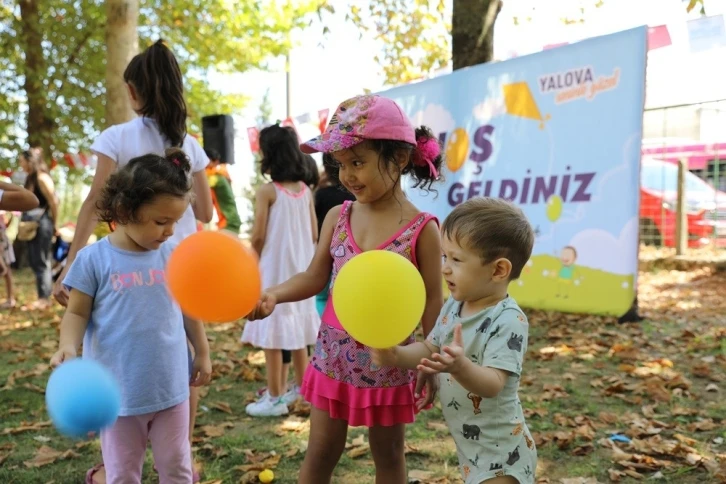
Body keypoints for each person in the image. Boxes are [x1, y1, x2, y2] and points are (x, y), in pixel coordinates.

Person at [248, 94, 445, 483]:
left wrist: (429, 360)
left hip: (388, 362)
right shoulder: (338, 216)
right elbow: (314, 276)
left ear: (400, 159)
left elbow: (433, 300)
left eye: (359, 163)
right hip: (332, 357)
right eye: (340, 165)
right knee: (320, 453)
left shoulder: (423, 229)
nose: (348, 176)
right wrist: (274, 294)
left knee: (388, 458)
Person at [51, 39, 213, 484]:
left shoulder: (116, 137)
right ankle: (146, 460)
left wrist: (69, 262)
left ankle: (166, 461)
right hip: (152, 265)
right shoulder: (189, 143)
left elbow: (93, 201)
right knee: (156, 358)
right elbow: (205, 213)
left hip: (160, 267)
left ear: (133, 90)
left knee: (170, 370)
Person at [372, 197, 538, 484]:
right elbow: (429, 347)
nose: (445, 268)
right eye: (444, 257)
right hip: (472, 452)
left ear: (498, 270)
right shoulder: (454, 306)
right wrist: (397, 356)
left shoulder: (509, 319)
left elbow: (494, 384)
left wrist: (460, 367)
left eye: (456, 260)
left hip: (503, 456)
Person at [243, 124, 321, 417]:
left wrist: (252, 260)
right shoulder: (305, 191)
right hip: (301, 271)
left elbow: (258, 236)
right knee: (299, 335)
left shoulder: (268, 191)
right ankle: (304, 392)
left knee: (273, 337)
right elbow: (313, 232)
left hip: (274, 270)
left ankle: (275, 397)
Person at [312, 154, 355, 316]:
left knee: (322, 297)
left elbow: (315, 223)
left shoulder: (321, 193)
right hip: (347, 252)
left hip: (326, 248)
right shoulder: (351, 196)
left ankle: (323, 320)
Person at [19, 148, 58, 310]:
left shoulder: (42, 178)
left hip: (43, 225)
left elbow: (54, 202)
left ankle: (44, 299)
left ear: (30, 161)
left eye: (22, 160)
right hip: (31, 225)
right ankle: (42, 297)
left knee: (42, 262)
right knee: (36, 261)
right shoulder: (29, 179)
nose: (20, 164)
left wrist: (55, 225)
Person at [204, 148, 241, 235]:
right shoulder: (220, 175)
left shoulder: (216, 177)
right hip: (228, 221)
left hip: (229, 222)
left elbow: (199, 186)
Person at [0, 210, 16, 308]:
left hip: (2, 242)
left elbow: (5, 226)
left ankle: (10, 299)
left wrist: (12, 217)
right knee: (6, 271)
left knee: (7, 271)